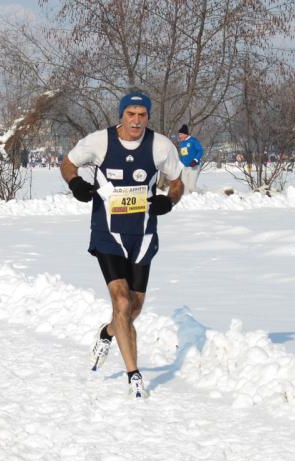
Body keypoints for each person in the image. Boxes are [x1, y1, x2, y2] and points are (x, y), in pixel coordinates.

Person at [60, 91, 184, 399]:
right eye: (131, 114)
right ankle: (134, 376)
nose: (136, 121)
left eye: (142, 115)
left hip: (142, 236)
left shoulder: (160, 146)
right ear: (121, 115)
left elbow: (177, 181)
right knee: (122, 302)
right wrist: (75, 183)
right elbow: (67, 164)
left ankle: (107, 333)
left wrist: (168, 201)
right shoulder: (100, 142)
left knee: (133, 308)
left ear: (148, 117)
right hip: (108, 233)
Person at [177, 124, 203, 193]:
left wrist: (195, 160)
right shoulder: (182, 143)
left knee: (191, 186)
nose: (180, 136)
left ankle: (194, 198)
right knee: (184, 186)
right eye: (179, 134)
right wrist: (181, 163)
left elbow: (200, 150)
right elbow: (182, 154)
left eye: (181, 134)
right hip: (185, 167)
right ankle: (185, 201)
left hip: (194, 166)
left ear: (185, 134)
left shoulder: (193, 141)